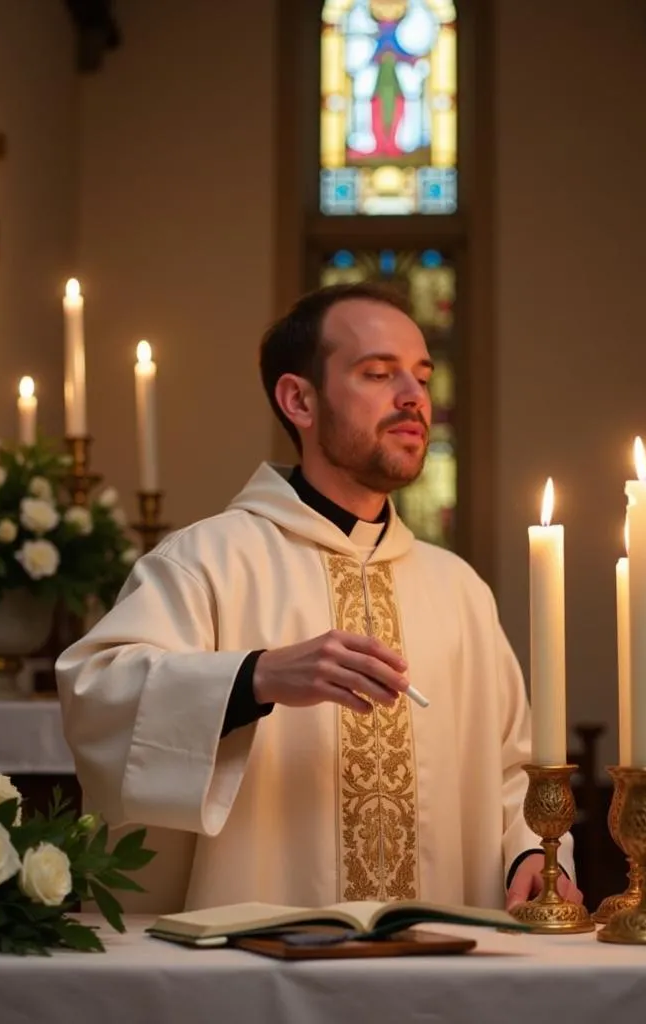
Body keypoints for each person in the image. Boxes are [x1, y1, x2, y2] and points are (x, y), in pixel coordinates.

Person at [56, 283, 581, 913]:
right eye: (378, 373)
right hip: (260, 967)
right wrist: (254, 676)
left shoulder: (458, 588)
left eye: (421, 375)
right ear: (299, 399)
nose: (414, 397)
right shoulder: (207, 562)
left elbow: (511, 768)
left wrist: (529, 853)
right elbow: (96, 693)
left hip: (435, 969)